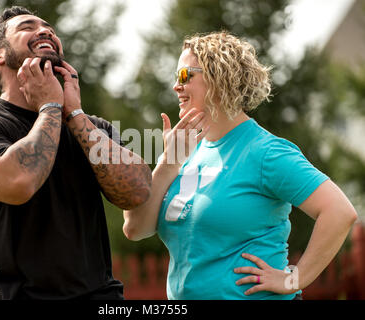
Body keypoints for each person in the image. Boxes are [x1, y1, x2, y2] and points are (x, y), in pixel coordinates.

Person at [122, 31, 358, 300]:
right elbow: (135, 229)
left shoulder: (266, 152)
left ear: (218, 77)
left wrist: (294, 278)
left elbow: (339, 211)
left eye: (185, 75)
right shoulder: (186, 151)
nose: (176, 85)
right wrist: (168, 162)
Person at [0, 6, 152, 300]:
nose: (46, 31)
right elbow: (19, 183)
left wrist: (76, 114)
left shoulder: (91, 127)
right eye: (27, 27)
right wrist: (49, 108)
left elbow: (137, 193)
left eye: (49, 29)